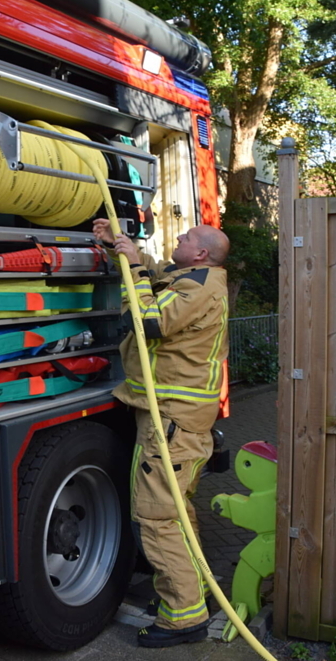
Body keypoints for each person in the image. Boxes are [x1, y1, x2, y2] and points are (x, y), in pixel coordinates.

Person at [92, 218, 230, 648]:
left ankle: (183, 618)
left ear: (201, 253)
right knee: (176, 512)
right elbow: (155, 279)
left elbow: (151, 319)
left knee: (157, 517)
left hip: (172, 420)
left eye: (186, 238)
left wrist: (133, 267)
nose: (179, 239)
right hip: (174, 418)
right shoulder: (192, 278)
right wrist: (127, 252)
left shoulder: (200, 288)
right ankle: (190, 593)